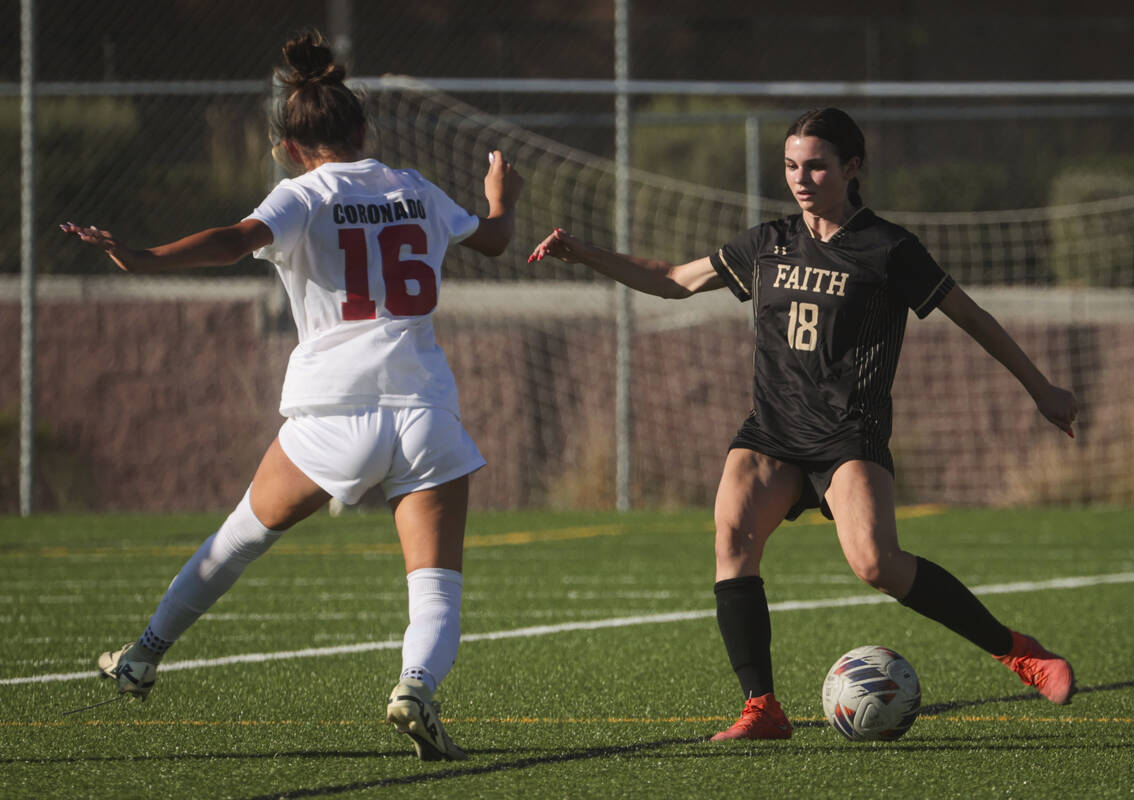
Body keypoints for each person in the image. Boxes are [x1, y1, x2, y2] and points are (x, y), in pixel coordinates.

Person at [528, 107, 1076, 741]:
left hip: (848, 433)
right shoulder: (768, 242)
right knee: (732, 536)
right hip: (772, 429)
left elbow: (972, 315)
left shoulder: (888, 248)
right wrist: (583, 253)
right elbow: (675, 281)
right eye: (791, 165)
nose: (801, 178)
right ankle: (762, 707)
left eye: (816, 165)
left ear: (852, 167)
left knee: (876, 563)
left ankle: (1020, 651)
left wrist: (1041, 388)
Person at [61, 30, 522, 762]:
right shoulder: (416, 188)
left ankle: (144, 654)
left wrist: (141, 256)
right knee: (435, 586)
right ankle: (414, 689)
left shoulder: (302, 194)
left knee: (239, 538)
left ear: (287, 145)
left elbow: (233, 238)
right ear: (363, 130)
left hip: (333, 410)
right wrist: (501, 198)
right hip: (423, 405)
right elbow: (495, 241)